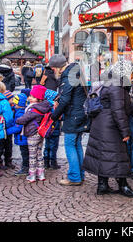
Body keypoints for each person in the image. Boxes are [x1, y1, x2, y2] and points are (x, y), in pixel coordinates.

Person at [82, 63, 133, 198]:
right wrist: (125, 132)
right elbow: (118, 111)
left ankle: (102, 185)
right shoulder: (116, 87)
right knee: (118, 155)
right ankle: (123, 185)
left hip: (100, 124)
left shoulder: (108, 83)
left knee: (104, 154)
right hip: (110, 126)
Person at [51, 55, 90, 186]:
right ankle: (80, 174)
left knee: (69, 145)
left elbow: (66, 99)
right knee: (77, 144)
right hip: (81, 113)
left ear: (57, 68)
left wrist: (54, 116)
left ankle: (74, 176)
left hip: (73, 114)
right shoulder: (77, 71)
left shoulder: (68, 76)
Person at [16, 85, 51, 183]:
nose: (29, 98)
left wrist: (17, 120)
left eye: (32, 96)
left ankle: (32, 175)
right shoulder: (44, 106)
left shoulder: (34, 109)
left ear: (38, 98)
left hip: (32, 134)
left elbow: (23, 119)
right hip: (40, 134)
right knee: (39, 153)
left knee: (32, 155)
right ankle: (41, 173)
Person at [0, 90, 16, 170]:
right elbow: (9, 118)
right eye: (11, 98)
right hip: (5, 128)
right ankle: (0, 162)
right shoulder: (5, 105)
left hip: (6, 129)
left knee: (8, 146)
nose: (13, 99)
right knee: (1, 146)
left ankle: (8, 161)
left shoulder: (13, 106)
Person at [10, 93, 29, 176]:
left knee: (25, 153)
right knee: (25, 153)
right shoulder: (20, 110)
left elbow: (18, 128)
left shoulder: (20, 113)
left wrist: (6, 131)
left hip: (22, 138)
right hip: (22, 138)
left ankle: (26, 168)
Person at [43, 89, 60, 170]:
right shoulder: (55, 107)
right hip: (55, 130)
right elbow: (60, 117)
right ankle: (53, 163)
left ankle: (46, 162)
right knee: (54, 147)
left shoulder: (45, 106)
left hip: (46, 131)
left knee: (47, 146)